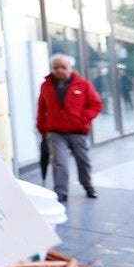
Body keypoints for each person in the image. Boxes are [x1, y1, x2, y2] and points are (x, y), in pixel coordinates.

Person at [36, 53, 101, 203]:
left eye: (63, 67)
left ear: (71, 68)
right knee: (59, 162)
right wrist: (41, 127)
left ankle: (87, 185)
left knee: (82, 160)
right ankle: (61, 191)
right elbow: (41, 108)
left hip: (77, 131)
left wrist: (83, 118)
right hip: (55, 131)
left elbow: (96, 105)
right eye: (56, 67)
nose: (59, 70)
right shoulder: (46, 86)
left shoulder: (83, 85)